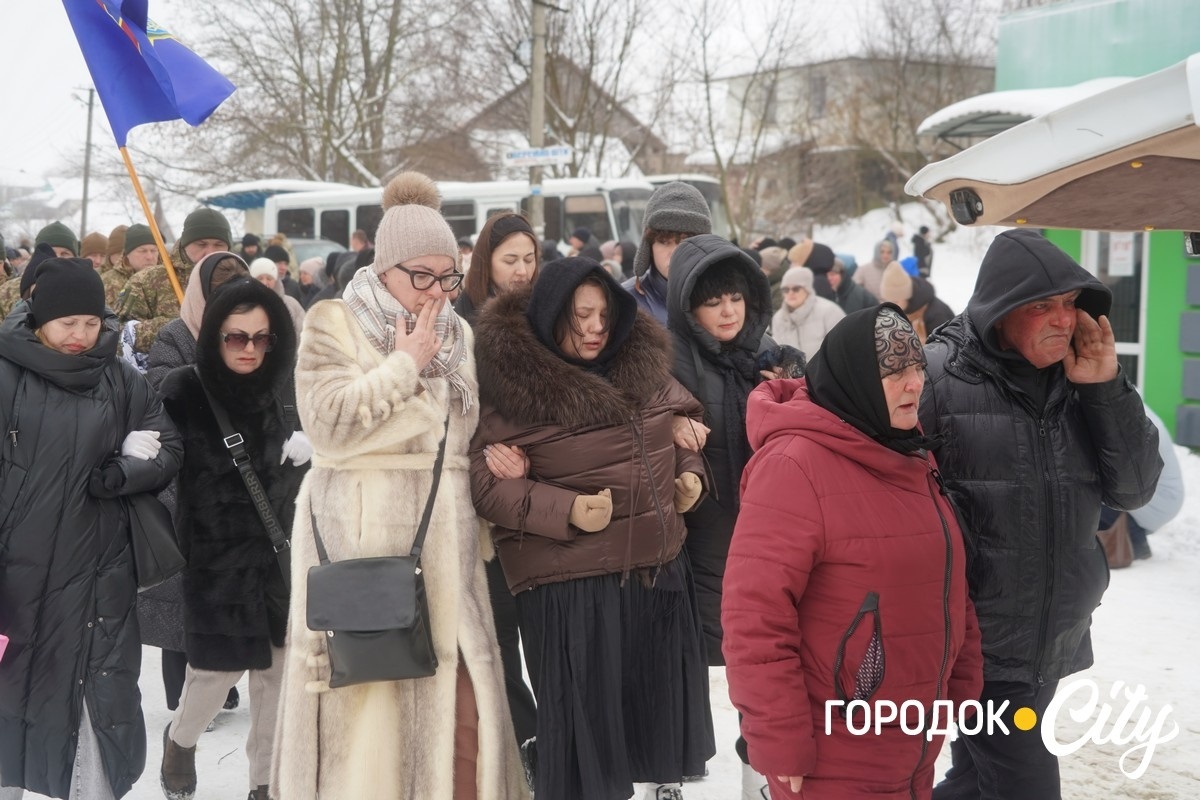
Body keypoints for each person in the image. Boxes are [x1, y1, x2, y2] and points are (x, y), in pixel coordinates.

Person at [271, 171, 526, 799]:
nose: (437, 292)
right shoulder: (333, 322)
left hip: (450, 548)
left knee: (463, 726)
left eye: (449, 277)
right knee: (368, 736)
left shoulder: (458, 334)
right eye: (423, 276)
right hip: (364, 548)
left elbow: (456, 435)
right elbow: (327, 426)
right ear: (385, 268)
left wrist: (492, 458)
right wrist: (405, 365)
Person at [921, 229, 1163, 800]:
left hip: (1052, 636)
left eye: (1069, 304)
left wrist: (1104, 387)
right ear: (1000, 309)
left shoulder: (1084, 378)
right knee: (1024, 782)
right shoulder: (936, 379)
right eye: (1041, 306)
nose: (1062, 319)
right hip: (975, 643)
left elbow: (1134, 490)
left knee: (978, 778)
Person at [471, 257, 716, 800]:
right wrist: (565, 510)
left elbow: (682, 430)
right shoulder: (509, 386)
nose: (596, 328)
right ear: (553, 314)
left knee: (643, 726)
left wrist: (689, 478)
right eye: (581, 315)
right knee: (586, 750)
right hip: (571, 591)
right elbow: (484, 487)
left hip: (654, 575)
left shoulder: (643, 364)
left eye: (604, 314)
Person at [722, 304, 983, 800]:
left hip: (910, 742)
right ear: (856, 379)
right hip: (832, 750)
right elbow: (753, 618)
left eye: (916, 368)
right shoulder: (794, 466)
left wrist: (962, 683)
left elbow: (947, 575)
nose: (914, 385)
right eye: (894, 372)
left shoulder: (908, 452)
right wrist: (778, 742)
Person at [0, 259, 183, 800]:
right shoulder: (6, 372)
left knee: (94, 699)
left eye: (90, 322)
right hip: (16, 577)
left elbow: (168, 446)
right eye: (66, 323)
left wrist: (127, 469)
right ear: (38, 318)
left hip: (98, 575)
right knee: (9, 705)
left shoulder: (123, 380)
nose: (80, 335)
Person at [158, 278, 309, 800]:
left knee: (277, 677)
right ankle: (181, 739)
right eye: (236, 337)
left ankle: (264, 784)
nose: (250, 349)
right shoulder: (184, 389)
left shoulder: (287, 385)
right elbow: (162, 462)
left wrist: (309, 454)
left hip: (282, 550)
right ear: (214, 336)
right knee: (214, 673)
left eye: (262, 338)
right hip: (216, 553)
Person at [664, 235, 803, 798]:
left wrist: (791, 396)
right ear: (688, 308)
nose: (726, 311)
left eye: (736, 299)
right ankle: (664, 776)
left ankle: (760, 780)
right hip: (692, 544)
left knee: (764, 667)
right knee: (678, 672)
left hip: (764, 540)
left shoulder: (774, 359)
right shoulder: (664, 361)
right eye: (712, 301)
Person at [118, 207, 231, 356]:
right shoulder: (146, 282)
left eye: (218, 244)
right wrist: (173, 328)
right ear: (185, 244)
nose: (210, 252)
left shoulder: (238, 282)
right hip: (163, 374)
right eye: (201, 244)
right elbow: (119, 335)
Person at [1097, 401, 1184, 561]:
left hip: (1154, 499)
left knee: (1075, 502)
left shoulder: (1120, 408)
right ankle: (1131, 535)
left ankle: (1131, 539)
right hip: (1161, 498)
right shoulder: (1125, 398)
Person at [622, 181, 713, 325]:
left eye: (686, 242)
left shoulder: (727, 298)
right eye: (664, 242)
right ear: (648, 248)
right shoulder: (626, 303)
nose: (675, 254)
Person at [454, 211, 539, 325]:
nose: (522, 271)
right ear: (486, 261)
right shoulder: (463, 313)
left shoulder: (545, 306)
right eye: (510, 261)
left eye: (529, 260)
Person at [770, 266, 845, 356]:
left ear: (807, 289)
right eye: (785, 289)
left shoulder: (830, 311)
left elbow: (841, 348)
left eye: (796, 289)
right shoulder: (778, 318)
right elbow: (778, 353)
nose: (790, 293)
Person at [879, 261, 954, 343]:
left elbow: (946, 349)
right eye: (886, 301)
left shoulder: (936, 315)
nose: (891, 306)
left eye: (896, 301)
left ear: (907, 297)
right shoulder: (901, 311)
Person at [101, 223, 159, 310]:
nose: (149, 257)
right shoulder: (106, 282)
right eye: (142, 251)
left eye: (153, 250)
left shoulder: (169, 279)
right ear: (128, 254)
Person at [249, 257, 306, 336]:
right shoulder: (244, 304)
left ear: (275, 280)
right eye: (260, 278)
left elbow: (303, 334)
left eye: (269, 278)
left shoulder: (291, 304)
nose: (265, 283)